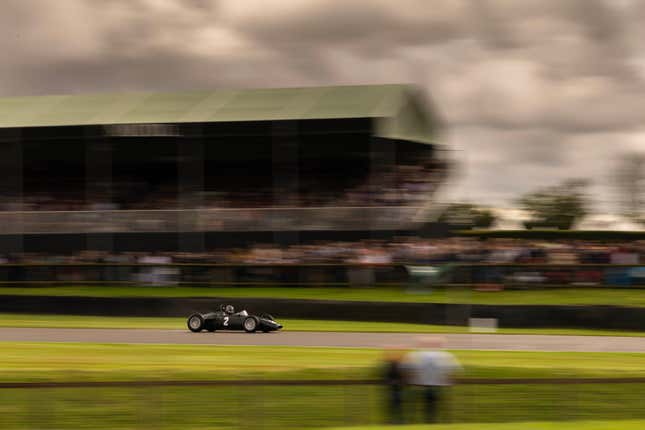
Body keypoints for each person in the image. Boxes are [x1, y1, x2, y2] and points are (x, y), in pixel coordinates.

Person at [404, 337, 461, 423]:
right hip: (439, 385)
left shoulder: (414, 355)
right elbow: (454, 370)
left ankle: (413, 422)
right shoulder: (446, 355)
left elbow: (407, 370)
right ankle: (441, 422)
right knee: (439, 407)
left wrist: (411, 380)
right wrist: (449, 381)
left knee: (415, 408)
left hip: (419, 385)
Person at [382, 346, 407, 424]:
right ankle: (400, 421)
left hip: (393, 390)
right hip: (398, 390)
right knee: (399, 407)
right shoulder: (399, 366)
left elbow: (387, 379)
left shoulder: (390, 366)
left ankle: (392, 421)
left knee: (392, 407)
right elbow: (403, 378)